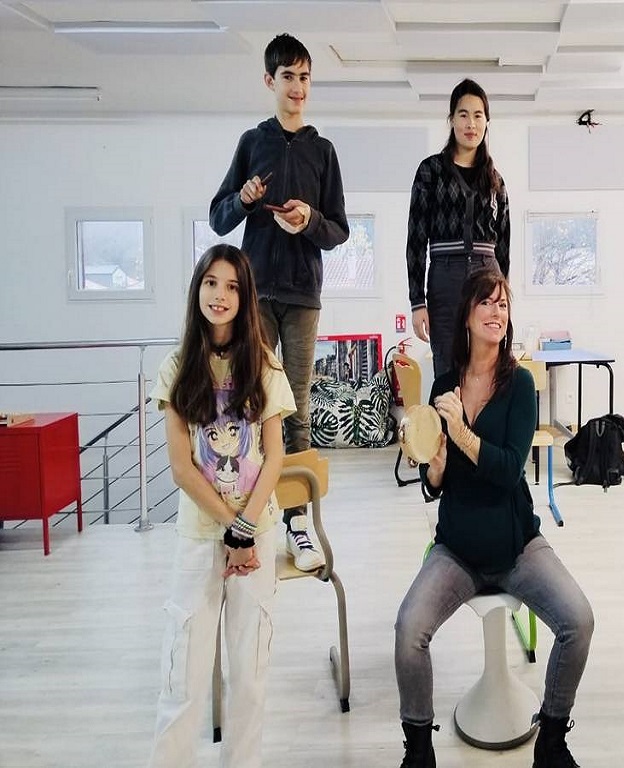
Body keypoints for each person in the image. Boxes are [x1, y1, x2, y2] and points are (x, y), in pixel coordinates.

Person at [394, 269, 594, 768]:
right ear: (467, 314)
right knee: (408, 630)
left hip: (516, 545)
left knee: (578, 621)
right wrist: (435, 465)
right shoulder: (444, 385)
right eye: (485, 302)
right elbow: (436, 484)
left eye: (502, 304)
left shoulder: (520, 384)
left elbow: (508, 471)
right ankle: (418, 750)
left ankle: (552, 739)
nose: (495, 311)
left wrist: (461, 432)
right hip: (457, 548)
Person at [147, 244, 296, 768]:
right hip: (200, 537)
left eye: (232, 286)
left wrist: (245, 530)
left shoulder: (266, 364)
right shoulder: (175, 367)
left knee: (250, 679)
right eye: (211, 282)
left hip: (256, 536)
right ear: (198, 289)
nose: (220, 294)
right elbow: (182, 468)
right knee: (183, 679)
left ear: (245, 297)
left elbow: (275, 455)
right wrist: (232, 529)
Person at [210, 32, 349, 572]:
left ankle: (298, 522)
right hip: (256, 296)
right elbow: (219, 217)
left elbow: (337, 230)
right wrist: (244, 200)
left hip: (304, 297)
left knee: (297, 408)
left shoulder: (323, 151)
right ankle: (254, 514)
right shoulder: (253, 142)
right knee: (254, 404)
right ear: (270, 81)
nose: (298, 87)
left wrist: (308, 220)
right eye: (288, 76)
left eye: (305, 77)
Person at [406, 78, 511, 378]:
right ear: (451, 119)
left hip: (487, 275)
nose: (471, 123)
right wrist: (417, 302)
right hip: (445, 277)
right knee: (448, 369)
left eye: (478, 115)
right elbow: (416, 239)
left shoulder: (495, 180)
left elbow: (504, 246)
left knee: (487, 368)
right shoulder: (430, 171)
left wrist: (502, 299)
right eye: (463, 114)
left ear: (486, 122)